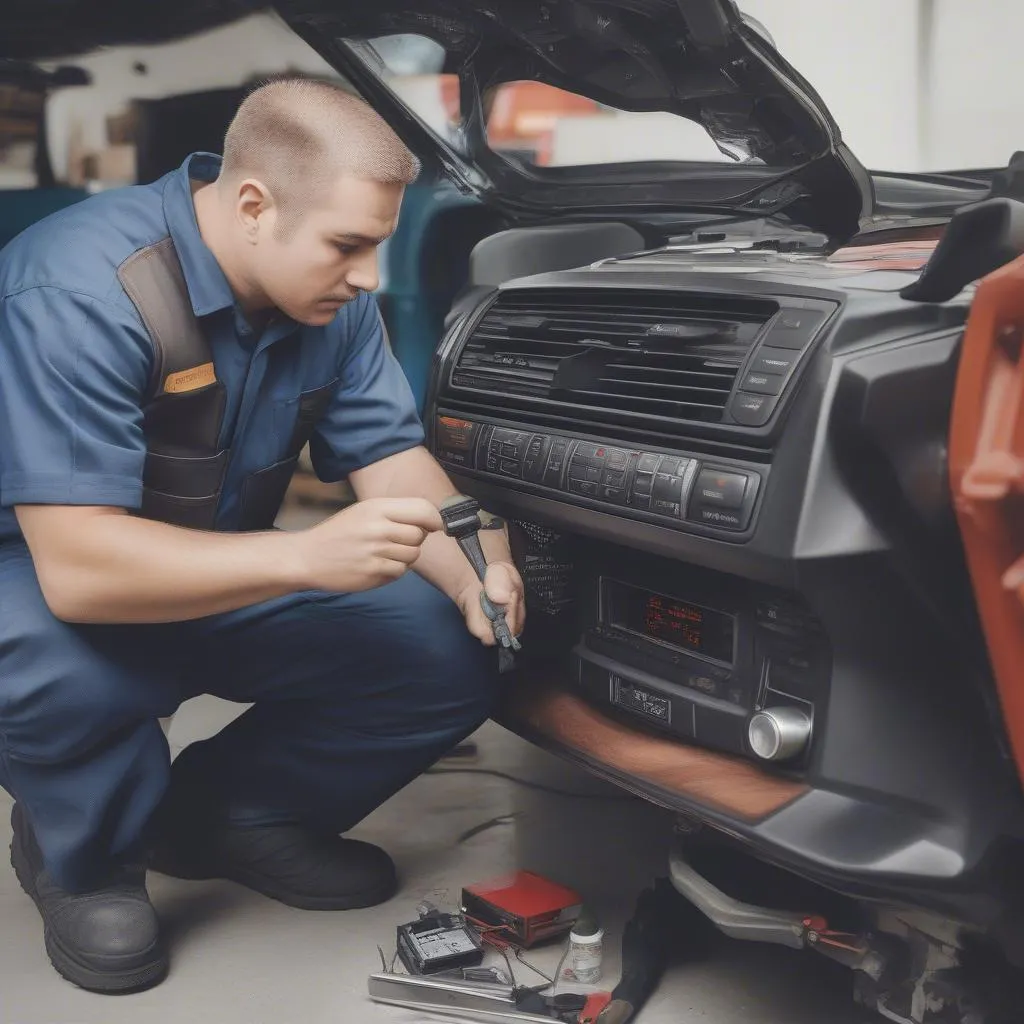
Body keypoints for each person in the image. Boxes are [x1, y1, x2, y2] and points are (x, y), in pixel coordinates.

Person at [0, 77, 525, 994]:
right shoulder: (80, 288)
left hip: (222, 563)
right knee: (68, 665)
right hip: (42, 582)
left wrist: (479, 563)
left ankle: (226, 820)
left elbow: (395, 464)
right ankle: (83, 857)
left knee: (446, 644)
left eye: (378, 246)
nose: (369, 276)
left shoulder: (332, 299)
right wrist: (303, 557)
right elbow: (80, 571)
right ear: (254, 205)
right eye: (348, 245)